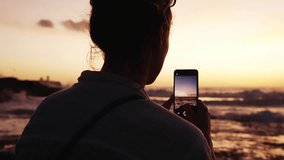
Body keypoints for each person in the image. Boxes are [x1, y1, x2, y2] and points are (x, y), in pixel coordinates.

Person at [16, 0, 216, 159]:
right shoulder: (184, 142)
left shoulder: (47, 110)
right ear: (161, 33)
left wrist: (148, 119)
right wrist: (204, 138)